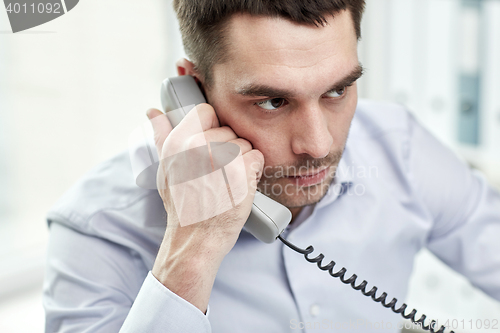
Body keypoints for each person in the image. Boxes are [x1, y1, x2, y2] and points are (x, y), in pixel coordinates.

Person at [43, 0, 500, 332]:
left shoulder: (398, 148)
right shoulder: (98, 227)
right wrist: (194, 245)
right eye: (273, 101)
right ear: (193, 93)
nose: (318, 145)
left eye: (337, 91)